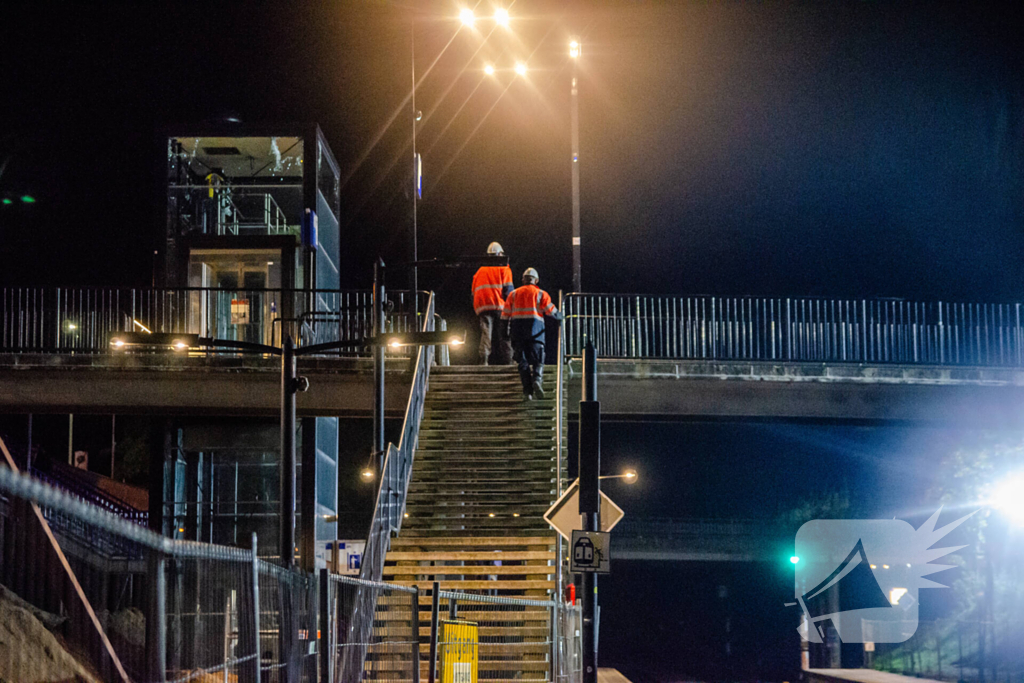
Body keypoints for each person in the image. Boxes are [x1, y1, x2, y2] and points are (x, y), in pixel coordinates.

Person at [502, 267, 563, 399]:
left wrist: (504, 332)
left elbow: (505, 315)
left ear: (523, 280)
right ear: (536, 280)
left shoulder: (513, 294)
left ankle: (527, 392)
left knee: (522, 361)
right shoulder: (541, 293)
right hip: (536, 331)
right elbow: (550, 311)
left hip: (517, 332)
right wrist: (562, 316)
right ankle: (537, 379)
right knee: (538, 358)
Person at [471, 242, 514, 365]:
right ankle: (508, 361)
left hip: (483, 307)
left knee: (486, 334)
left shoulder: (479, 271)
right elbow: (508, 291)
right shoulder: (504, 269)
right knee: (504, 334)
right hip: (499, 306)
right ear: (500, 254)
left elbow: (473, 293)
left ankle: (484, 360)